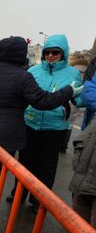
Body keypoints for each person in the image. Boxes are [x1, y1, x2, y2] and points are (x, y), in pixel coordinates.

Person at [0, 36, 82, 220]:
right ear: (21, 55)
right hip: (6, 135)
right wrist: (68, 91)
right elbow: (43, 101)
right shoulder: (23, 77)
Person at [19, 34, 83, 211]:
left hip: (54, 128)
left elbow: (78, 101)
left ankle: (38, 199)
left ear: (64, 53)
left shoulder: (73, 74)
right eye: (47, 52)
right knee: (25, 161)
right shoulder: (33, 71)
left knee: (46, 166)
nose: (51, 55)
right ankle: (19, 192)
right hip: (29, 123)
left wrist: (82, 97)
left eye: (56, 52)